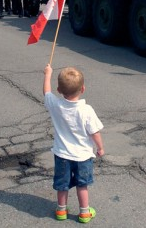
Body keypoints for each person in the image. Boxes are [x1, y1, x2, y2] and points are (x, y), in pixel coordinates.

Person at [43, 64, 104, 223]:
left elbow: (46, 92)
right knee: (82, 185)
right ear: (82, 89)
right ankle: (84, 213)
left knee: (62, 185)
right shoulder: (87, 110)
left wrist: (48, 74)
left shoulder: (55, 105)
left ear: (59, 90)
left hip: (62, 154)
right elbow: (95, 133)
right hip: (83, 156)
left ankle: (61, 211)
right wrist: (100, 148)